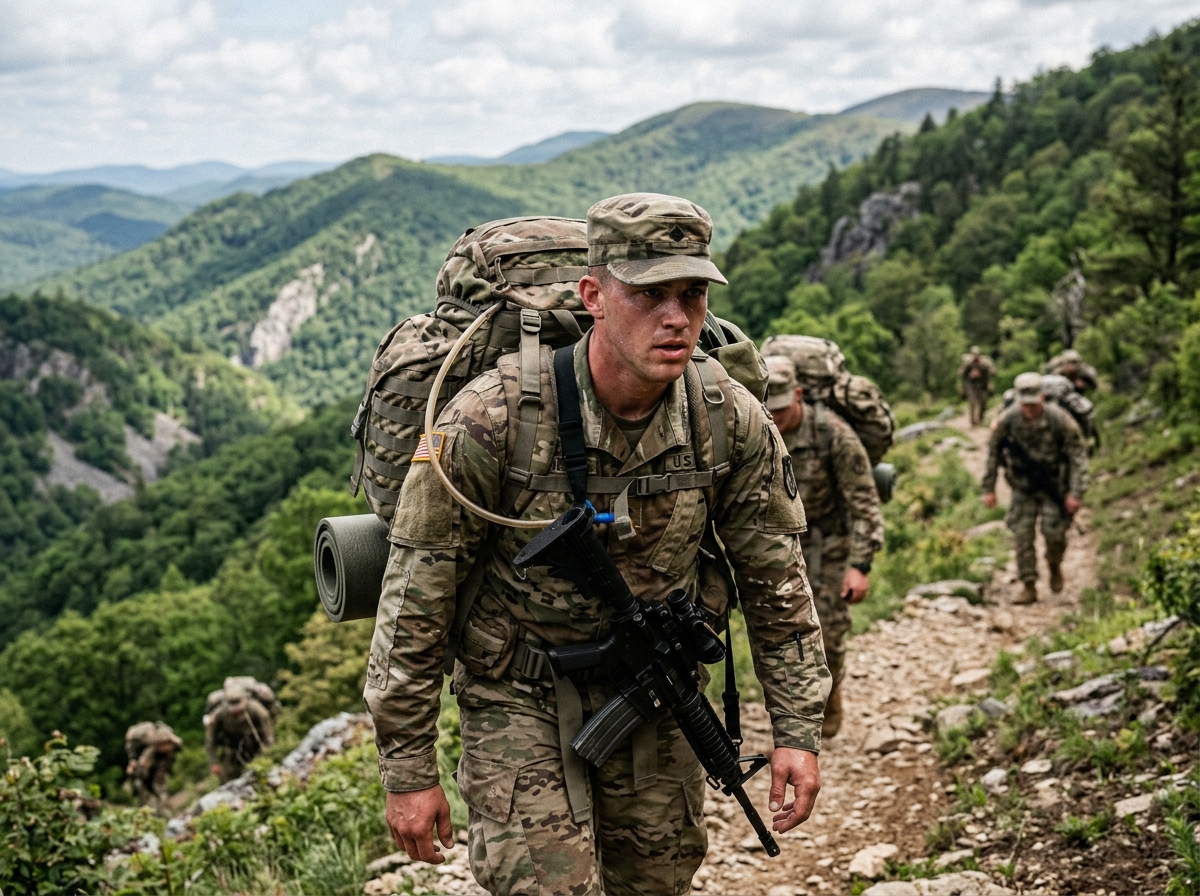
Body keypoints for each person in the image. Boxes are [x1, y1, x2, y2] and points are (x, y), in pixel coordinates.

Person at [364, 193, 830, 896]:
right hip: (518, 690)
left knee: (658, 881)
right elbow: (415, 598)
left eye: (692, 293)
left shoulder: (726, 416)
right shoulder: (491, 419)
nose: (676, 317)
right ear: (596, 296)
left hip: (655, 690)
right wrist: (409, 770)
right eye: (648, 294)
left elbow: (776, 578)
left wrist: (797, 729)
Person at [762, 356, 883, 739]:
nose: (776, 416)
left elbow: (864, 504)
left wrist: (860, 565)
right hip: (778, 546)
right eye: (770, 407)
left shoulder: (835, 435)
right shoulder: (757, 429)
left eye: (782, 408)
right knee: (779, 639)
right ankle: (794, 726)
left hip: (830, 545)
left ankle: (829, 703)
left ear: (798, 394)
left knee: (828, 635)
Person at [982, 372, 1089, 605]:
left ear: (1042, 397)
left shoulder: (1059, 419)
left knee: (1054, 533)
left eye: (1033, 403)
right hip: (1023, 486)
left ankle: (1054, 565)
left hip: (1054, 485)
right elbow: (992, 453)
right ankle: (1028, 585)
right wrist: (988, 488)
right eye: (1025, 404)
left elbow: (1077, 456)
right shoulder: (1008, 420)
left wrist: (1075, 492)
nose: (1029, 409)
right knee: (1022, 535)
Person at [204, 677, 276, 783]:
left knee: (261, 774)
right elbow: (211, 741)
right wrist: (214, 763)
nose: (235, 711)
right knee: (228, 779)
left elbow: (268, 735)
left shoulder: (257, 710)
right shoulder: (220, 714)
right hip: (232, 749)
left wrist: (270, 752)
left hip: (255, 745)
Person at [124, 721, 183, 804]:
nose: (166, 748)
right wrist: (133, 760)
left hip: (154, 749)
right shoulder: (146, 740)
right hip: (141, 751)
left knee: (157, 777)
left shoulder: (167, 753)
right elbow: (132, 746)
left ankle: (161, 798)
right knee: (138, 774)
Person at [958, 346, 997, 426]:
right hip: (971, 385)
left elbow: (993, 372)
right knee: (972, 402)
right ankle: (973, 421)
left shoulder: (985, 362)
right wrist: (970, 375)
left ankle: (981, 418)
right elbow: (961, 373)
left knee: (983, 402)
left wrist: (985, 370)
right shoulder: (968, 363)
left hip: (983, 385)